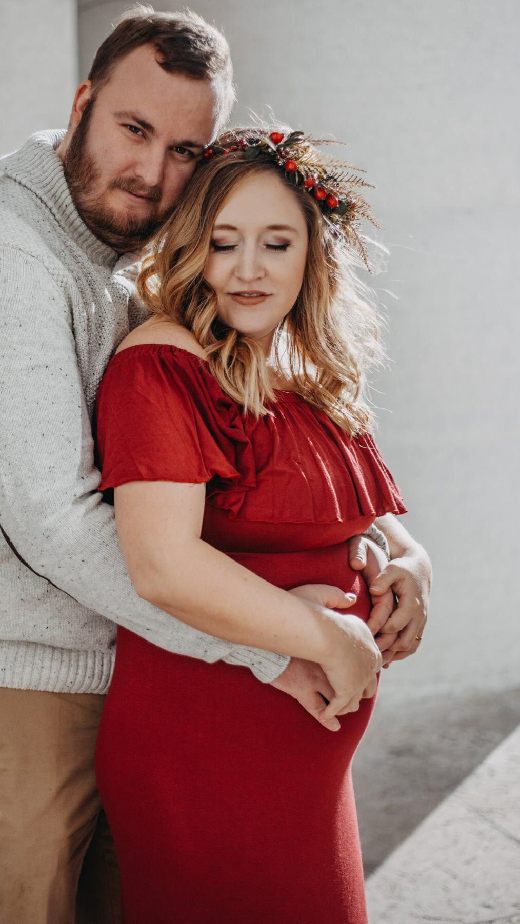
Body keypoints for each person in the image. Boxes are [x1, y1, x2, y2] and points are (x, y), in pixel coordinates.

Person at [0, 6, 431, 924]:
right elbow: (59, 523)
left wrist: (397, 551)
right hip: (14, 685)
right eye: (134, 130)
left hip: (133, 667)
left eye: (187, 149)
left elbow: (261, 455)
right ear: (81, 104)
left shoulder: (136, 257)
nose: (153, 172)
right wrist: (271, 647)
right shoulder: (1, 256)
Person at [93, 125, 423, 923]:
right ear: (190, 249)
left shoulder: (309, 371)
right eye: (223, 242)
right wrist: (334, 638)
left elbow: (369, 513)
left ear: (312, 254)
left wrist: (414, 566)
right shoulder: (160, 366)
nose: (248, 270)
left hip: (307, 758)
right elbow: (162, 566)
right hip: (206, 741)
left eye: (275, 243)